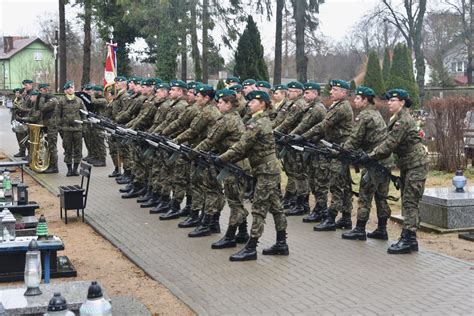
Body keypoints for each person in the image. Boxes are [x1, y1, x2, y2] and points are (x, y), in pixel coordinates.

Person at [217, 90, 289, 261]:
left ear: (263, 103)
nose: (249, 104)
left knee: (259, 208)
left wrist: (221, 158)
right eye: (249, 102)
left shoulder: (258, 123)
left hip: (266, 170)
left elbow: (242, 146)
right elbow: (246, 150)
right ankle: (281, 243)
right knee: (276, 206)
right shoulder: (258, 120)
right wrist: (226, 158)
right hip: (266, 169)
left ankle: (251, 247)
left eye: (253, 102)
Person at [364, 89, 428, 254]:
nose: (389, 103)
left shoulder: (403, 121)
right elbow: (387, 141)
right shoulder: (397, 119)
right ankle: (411, 239)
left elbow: (389, 145)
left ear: (402, 102)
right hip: (409, 164)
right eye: (389, 101)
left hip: (416, 164)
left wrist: (369, 156)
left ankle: (407, 239)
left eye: (393, 100)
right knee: (408, 200)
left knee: (410, 201)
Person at [193, 89, 250, 248]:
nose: (217, 105)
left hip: (234, 165)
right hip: (237, 163)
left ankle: (230, 237)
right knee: (236, 200)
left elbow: (210, 140)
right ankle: (243, 233)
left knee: (234, 201)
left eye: (221, 102)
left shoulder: (226, 120)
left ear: (229, 104)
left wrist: (193, 154)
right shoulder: (233, 116)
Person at [294, 79, 354, 231]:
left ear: (344, 92)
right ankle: (345, 218)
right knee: (344, 185)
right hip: (335, 149)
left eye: (335, 90)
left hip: (339, 150)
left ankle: (332, 218)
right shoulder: (337, 105)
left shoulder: (342, 108)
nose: (331, 92)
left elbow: (323, 125)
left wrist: (303, 137)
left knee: (337, 185)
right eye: (332, 89)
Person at [340, 86, 392, 241]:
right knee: (381, 196)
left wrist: (340, 151)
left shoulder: (365, 116)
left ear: (365, 100)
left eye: (357, 98)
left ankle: (360, 229)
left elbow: (354, 140)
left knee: (365, 194)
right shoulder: (375, 114)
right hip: (385, 162)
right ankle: (382, 229)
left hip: (374, 162)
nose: (354, 101)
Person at [289, 82, 329, 221]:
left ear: (316, 94)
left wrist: (293, 136)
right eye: (304, 92)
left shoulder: (317, 109)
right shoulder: (310, 107)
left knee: (318, 181)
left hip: (319, 149)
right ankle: (317, 209)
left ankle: (321, 210)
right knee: (312, 179)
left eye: (307, 93)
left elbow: (304, 126)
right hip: (312, 148)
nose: (304, 95)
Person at [57, 81, 86, 176]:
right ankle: (69, 169)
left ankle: (75, 169)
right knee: (67, 150)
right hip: (66, 130)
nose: (70, 89)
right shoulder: (61, 101)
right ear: (65, 90)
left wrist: (83, 126)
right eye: (68, 88)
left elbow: (84, 114)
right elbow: (57, 115)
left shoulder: (79, 100)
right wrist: (60, 127)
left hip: (77, 129)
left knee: (78, 150)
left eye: (72, 87)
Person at [37, 83, 60, 173]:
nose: (40, 92)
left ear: (45, 90)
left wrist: (42, 97)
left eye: (41, 90)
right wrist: (39, 97)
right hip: (47, 125)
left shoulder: (52, 100)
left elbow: (42, 108)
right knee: (47, 146)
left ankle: (54, 167)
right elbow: (37, 108)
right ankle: (49, 164)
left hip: (52, 126)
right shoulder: (45, 98)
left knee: (52, 146)